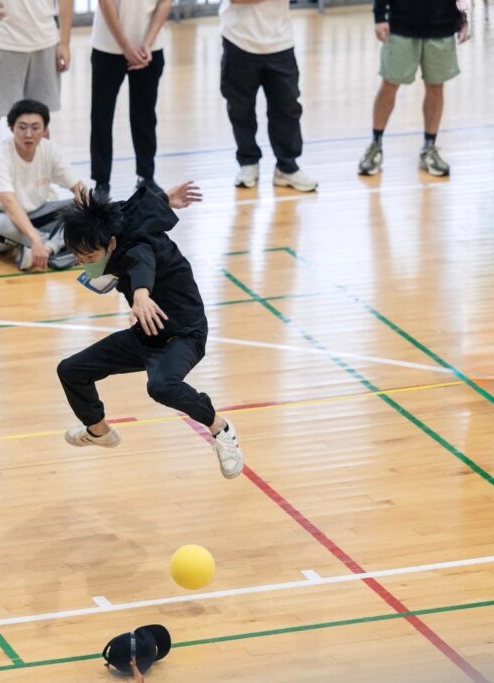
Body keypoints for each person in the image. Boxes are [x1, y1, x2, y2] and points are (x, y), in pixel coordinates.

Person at [56, 184, 245, 480]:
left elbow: (143, 263)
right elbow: (132, 205)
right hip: (147, 331)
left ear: (112, 244)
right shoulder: (113, 225)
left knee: (161, 386)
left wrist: (141, 295)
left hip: (184, 334)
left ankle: (221, 428)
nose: (84, 263)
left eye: (90, 257)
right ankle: (99, 430)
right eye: (78, 257)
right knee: (71, 370)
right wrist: (166, 197)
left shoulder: (139, 248)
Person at [0, 0, 74, 186]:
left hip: (45, 40)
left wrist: (65, 42)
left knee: (39, 120)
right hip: (1, 40)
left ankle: (39, 184)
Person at [358, 0, 469, 177]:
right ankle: (375, 145)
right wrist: (379, 16)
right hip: (402, 25)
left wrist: (464, 18)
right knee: (389, 85)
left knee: (436, 87)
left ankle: (429, 147)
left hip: (441, 26)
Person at [0, 99, 85, 271]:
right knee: (10, 225)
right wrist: (35, 238)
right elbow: (9, 204)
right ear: (11, 128)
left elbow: (78, 187)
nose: (29, 134)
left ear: (45, 130)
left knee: (79, 207)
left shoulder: (49, 149)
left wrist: (91, 217)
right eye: (22, 127)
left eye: (35, 127)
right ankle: (63, 245)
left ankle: (46, 251)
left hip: (33, 216)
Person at [218, 0, 316, 192]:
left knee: (287, 107)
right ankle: (248, 162)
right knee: (240, 108)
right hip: (238, 39)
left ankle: (286, 167)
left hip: (280, 41)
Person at [88, 0, 172, 200]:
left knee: (145, 116)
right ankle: (101, 182)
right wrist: (125, 46)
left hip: (149, 49)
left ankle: (146, 176)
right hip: (108, 47)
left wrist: (148, 43)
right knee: (102, 116)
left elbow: (165, 2)